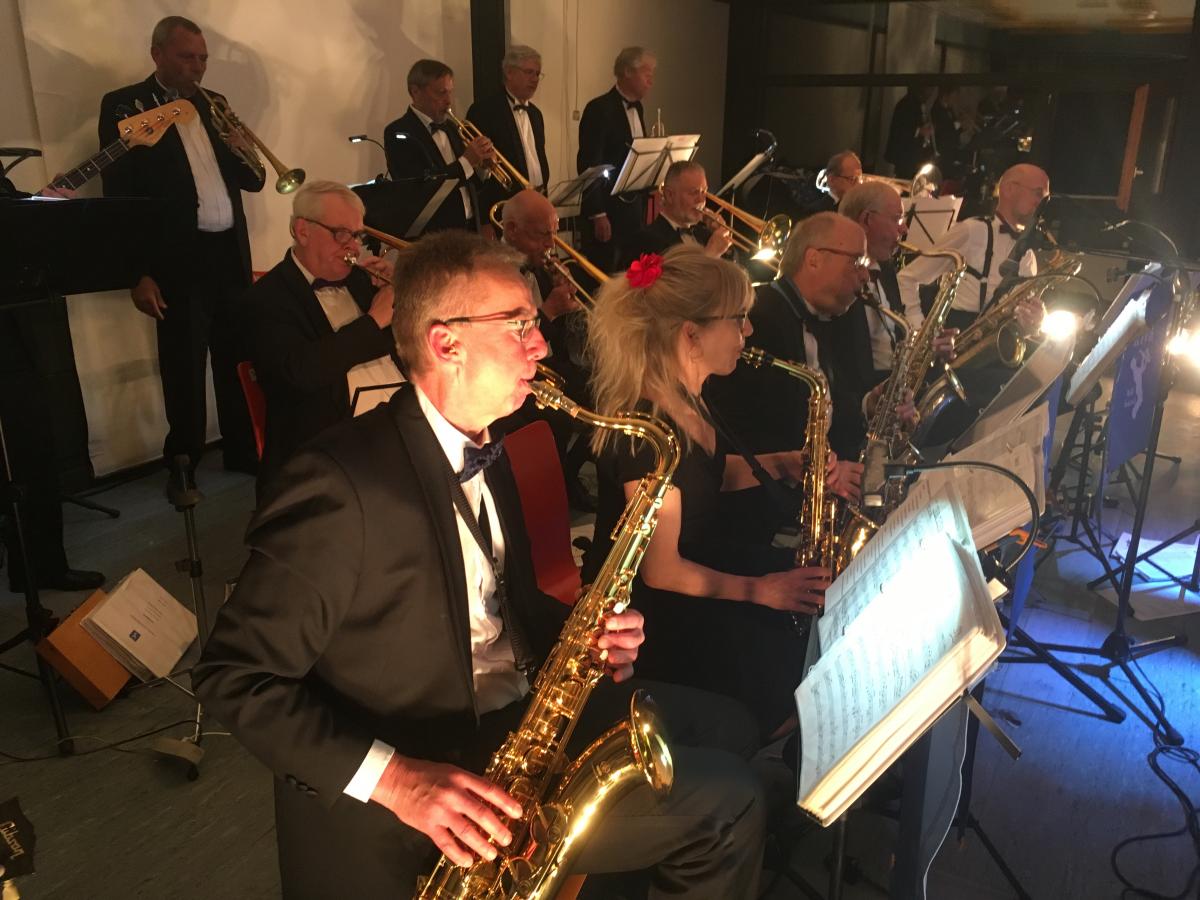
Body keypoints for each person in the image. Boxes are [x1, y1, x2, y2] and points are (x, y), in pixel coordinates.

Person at [194, 231, 768, 899]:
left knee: (731, 727)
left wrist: (582, 635)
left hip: (512, 716)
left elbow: (499, 606)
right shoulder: (341, 482)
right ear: (447, 344)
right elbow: (232, 675)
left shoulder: (490, 439)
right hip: (426, 774)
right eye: (519, 325)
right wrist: (398, 781)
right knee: (730, 806)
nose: (542, 345)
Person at [583, 245, 859, 739]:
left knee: (815, 589)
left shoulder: (687, 396)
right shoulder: (647, 431)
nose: (748, 332)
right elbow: (660, 571)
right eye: (737, 319)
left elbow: (707, 476)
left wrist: (784, 463)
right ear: (692, 333)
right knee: (784, 648)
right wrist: (761, 591)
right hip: (655, 613)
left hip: (699, 564)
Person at [99, 15, 263, 484]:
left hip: (228, 254)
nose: (198, 66)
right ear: (157, 55)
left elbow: (254, 181)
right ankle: (184, 461)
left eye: (203, 58)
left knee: (237, 358)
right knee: (183, 367)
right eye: (186, 56)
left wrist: (242, 149)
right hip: (175, 260)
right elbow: (119, 194)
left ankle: (243, 450)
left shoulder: (216, 103)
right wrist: (138, 272)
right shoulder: (124, 105)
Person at [244, 181, 399, 492]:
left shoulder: (362, 281)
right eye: (342, 234)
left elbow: (406, 348)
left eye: (357, 236)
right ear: (303, 231)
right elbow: (299, 373)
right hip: (331, 442)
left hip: (396, 419)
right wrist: (372, 321)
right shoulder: (267, 297)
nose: (354, 247)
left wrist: (401, 294)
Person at [706, 212, 878, 460]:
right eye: (857, 261)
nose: (865, 275)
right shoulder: (756, 319)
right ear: (814, 260)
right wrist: (819, 468)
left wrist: (868, 405)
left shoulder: (824, 313)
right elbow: (747, 431)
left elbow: (828, 402)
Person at [897, 163, 1048, 333]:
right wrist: (919, 329)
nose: (1042, 204)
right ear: (1009, 189)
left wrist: (1035, 322)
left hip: (1000, 342)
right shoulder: (973, 230)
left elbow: (1025, 319)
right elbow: (907, 278)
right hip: (959, 337)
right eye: (1038, 194)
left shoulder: (1028, 253)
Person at [837, 181, 957, 390]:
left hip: (893, 386)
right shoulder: (840, 278)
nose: (904, 228)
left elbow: (895, 340)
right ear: (867, 220)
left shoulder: (886, 270)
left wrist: (927, 349)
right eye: (897, 219)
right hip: (865, 393)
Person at [383, 59, 494, 234]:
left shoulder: (452, 128)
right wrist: (467, 162)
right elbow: (422, 185)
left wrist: (482, 167)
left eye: (450, 92)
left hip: (470, 226)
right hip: (435, 232)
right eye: (441, 93)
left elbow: (468, 182)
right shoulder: (398, 132)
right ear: (415, 91)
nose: (449, 101)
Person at [577, 46, 657, 272]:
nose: (651, 81)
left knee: (631, 271)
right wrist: (598, 214)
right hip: (608, 209)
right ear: (627, 72)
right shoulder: (598, 108)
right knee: (605, 272)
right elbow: (589, 163)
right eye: (647, 73)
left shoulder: (638, 108)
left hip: (633, 208)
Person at [465, 45, 551, 226]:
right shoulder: (484, 110)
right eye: (529, 72)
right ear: (509, 73)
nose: (535, 79)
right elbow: (480, 171)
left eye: (537, 74)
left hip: (537, 202)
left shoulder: (536, 114)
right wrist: (485, 222)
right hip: (504, 209)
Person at [621, 160, 732, 267]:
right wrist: (710, 255)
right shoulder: (645, 241)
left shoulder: (704, 233)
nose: (702, 200)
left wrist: (722, 235)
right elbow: (676, 279)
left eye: (704, 192)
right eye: (694, 192)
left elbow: (732, 268)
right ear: (670, 195)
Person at [885, 86, 936, 179]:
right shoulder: (906, 105)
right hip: (907, 157)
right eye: (930, 89)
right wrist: (919, 131)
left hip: (917, 157)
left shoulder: (919, 104)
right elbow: (900, 130)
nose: (931, 94)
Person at [803, 150, 862, 217]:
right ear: (832, 180)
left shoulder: (862, 209)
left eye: (859, 179)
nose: (858, 185)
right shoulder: (815, 212)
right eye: (852, 179)